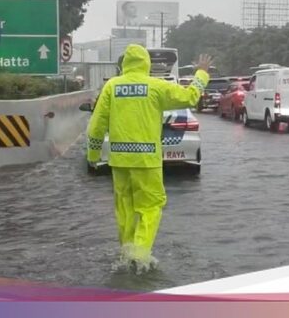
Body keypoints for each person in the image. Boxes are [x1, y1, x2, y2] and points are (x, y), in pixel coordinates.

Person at [86, 45, 212, 272]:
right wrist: (201, 73)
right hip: (146, 161)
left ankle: (126, 253)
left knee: (125, 209)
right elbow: (191, 97)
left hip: (119, 161)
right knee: (150, 207)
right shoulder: (156, 86)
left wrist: (93, 156)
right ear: (146, 63)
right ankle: (140, 255)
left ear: (123, 64)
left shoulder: (112, 87)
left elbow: (96, 126)